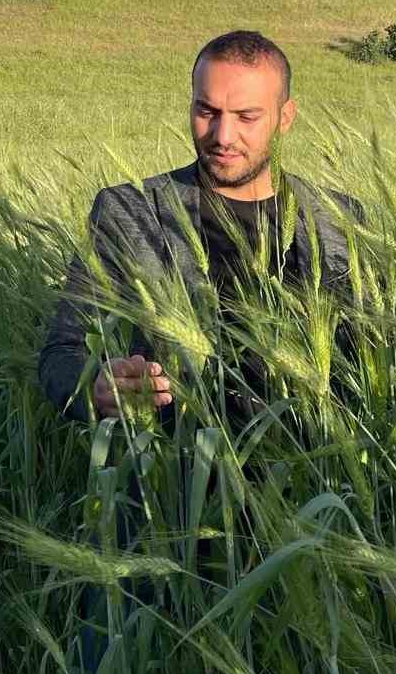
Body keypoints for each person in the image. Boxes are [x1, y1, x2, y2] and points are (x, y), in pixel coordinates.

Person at [38, 28, 364, 438]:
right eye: (207, 111)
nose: (223, 136)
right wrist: (96, 386)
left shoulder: (340, 220)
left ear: (285, 117)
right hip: (180, 482)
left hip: (317, 476)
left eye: (247, 117)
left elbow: (365, 360)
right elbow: (61, 351)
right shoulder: (130, 211)